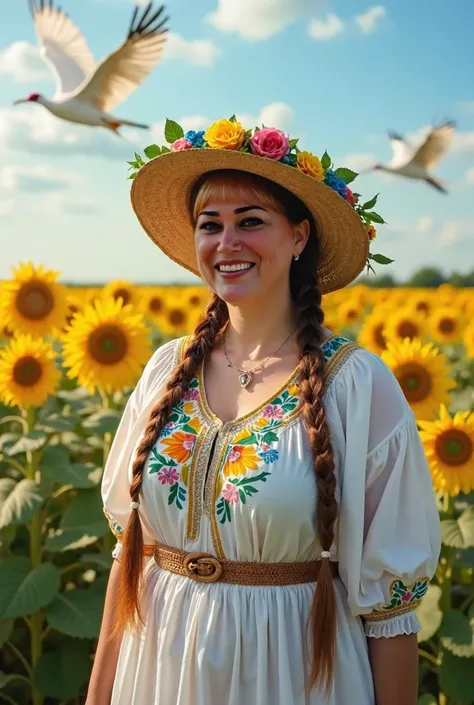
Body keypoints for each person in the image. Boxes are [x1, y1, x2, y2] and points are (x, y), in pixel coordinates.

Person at [86, 118, 441, 705]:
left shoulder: (355, 385)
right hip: (158, 670)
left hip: (293, 673)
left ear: (298, 237)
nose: (228, 242)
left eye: (251, 221)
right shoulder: (165, 370)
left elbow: (391, 610)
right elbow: (131, 563)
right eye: (211, 225)